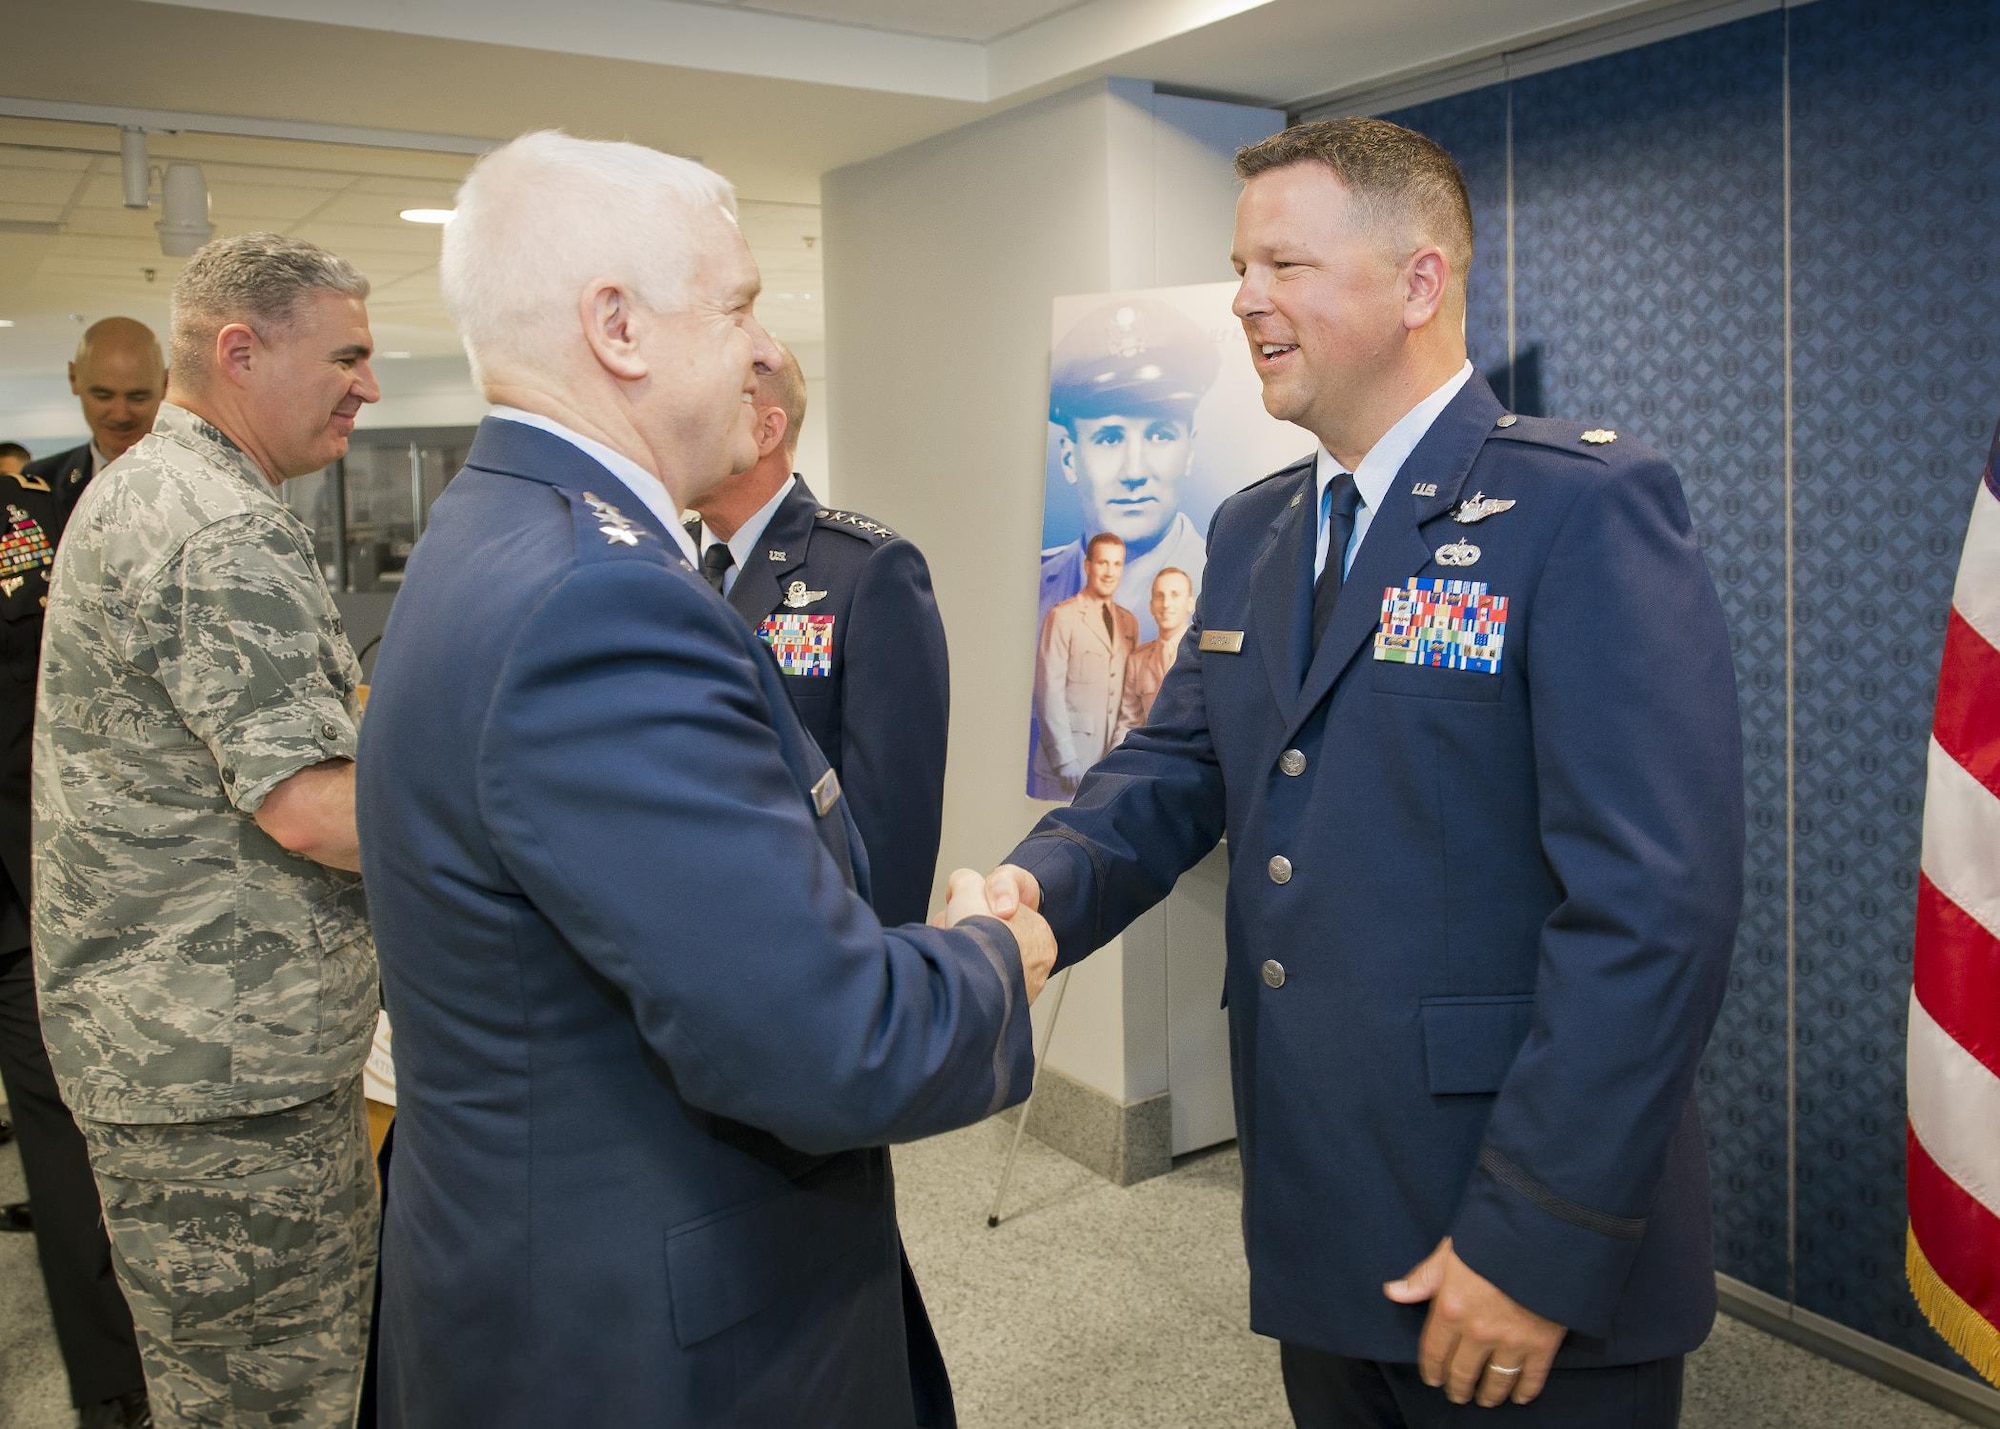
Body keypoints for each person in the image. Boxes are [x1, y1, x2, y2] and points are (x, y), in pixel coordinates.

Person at [985, 117, 1743, 1427]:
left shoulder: (1577, 510)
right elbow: (1173, 769)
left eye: (1284, 264)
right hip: (1321, 1204)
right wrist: (1035, 898)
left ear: (1417, 284)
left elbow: (1653, 909)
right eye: (1239, 265)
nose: (1243, 299)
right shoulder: (1259, 523)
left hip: (1507, 1218)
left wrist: (1537, 1235)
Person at [355, 130, 1053, 1428]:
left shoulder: (493, 527)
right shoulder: (599, 599)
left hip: (530, 1281)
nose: (759, 347)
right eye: (737, 305)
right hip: (652, 1342)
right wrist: (993, 953)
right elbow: (826, 1043)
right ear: (617, 328)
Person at [34, 237, 383, 1428]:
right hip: (227, 1073)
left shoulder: (156, 490)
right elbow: (314, 808)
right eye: (345, 356)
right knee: (278, 1398)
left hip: (193, 1051)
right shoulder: (216, 524)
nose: (367, 386)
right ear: (241, 351)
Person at [0, 319, 168, 1429]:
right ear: (74, 391)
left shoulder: (173, 499)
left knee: (100, 1165)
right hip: (32, 870)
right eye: (101, 395)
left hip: (81, 880)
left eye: (137, 394)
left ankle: (134, 1384)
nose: (119, 412)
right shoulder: (36, 507)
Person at [688, 340, 950, 926]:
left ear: (766, 430)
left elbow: (892, 816)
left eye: (704, 407)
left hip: (803, 932)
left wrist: (876, 972)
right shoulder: (662, 559)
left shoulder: (865, 569)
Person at [1039, 296, 1217, 639]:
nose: (1134, 472)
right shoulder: (1040, 591)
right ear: (1068, 458)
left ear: (1190, 451)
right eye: (1109, 439)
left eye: (1160, 435)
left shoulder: (1233, 582)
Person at [1031, 530, 1138, 799]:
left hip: (1106, 766)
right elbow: (1048, 693)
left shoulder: (1128, 623)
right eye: (1103, 563)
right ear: (1087, 565)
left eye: (1117, 564)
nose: (1110, 571)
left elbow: (1128, 699)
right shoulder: (1063, 617)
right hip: (1065, 766)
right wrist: (1064, 758)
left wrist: (1118, 755)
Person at [1117, 565, 1194, 737]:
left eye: (1175, 595)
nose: (1166, 604)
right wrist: (1115, 761)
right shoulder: (1137, 661)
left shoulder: (1203, 655)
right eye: (1159, 596)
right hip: (1152, 757)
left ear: (1190, 604)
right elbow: (1129, 723)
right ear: (1151, 606)